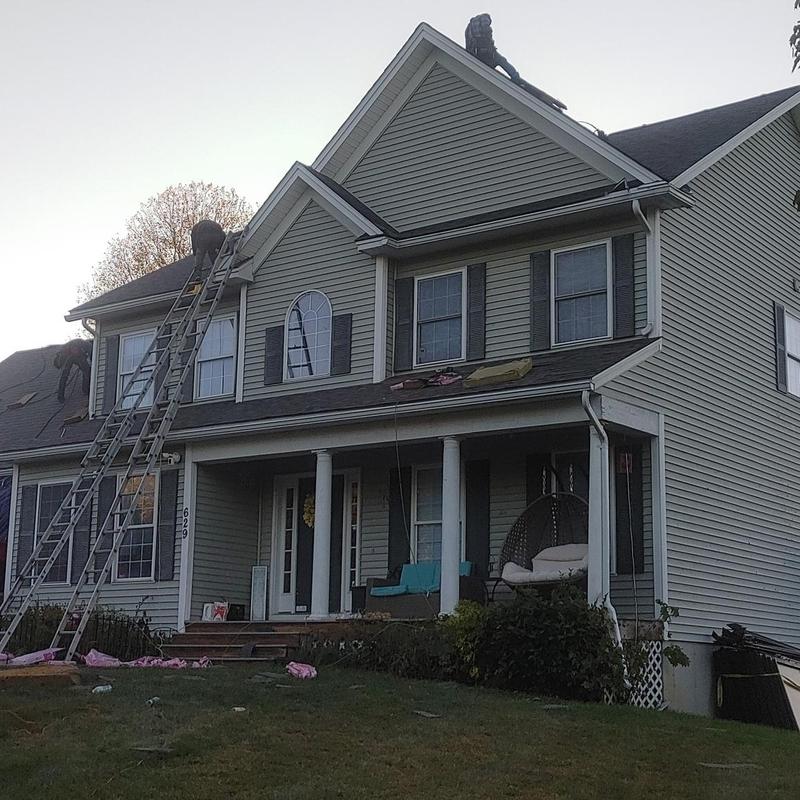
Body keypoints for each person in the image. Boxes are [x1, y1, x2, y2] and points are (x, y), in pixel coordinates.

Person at [54, 339, 92, 403]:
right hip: (72, 353)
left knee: (86, 370)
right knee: (85, 370)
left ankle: (85, 389)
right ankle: (85, 389)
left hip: (75, 352)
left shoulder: (85, 346)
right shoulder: (65, 355)